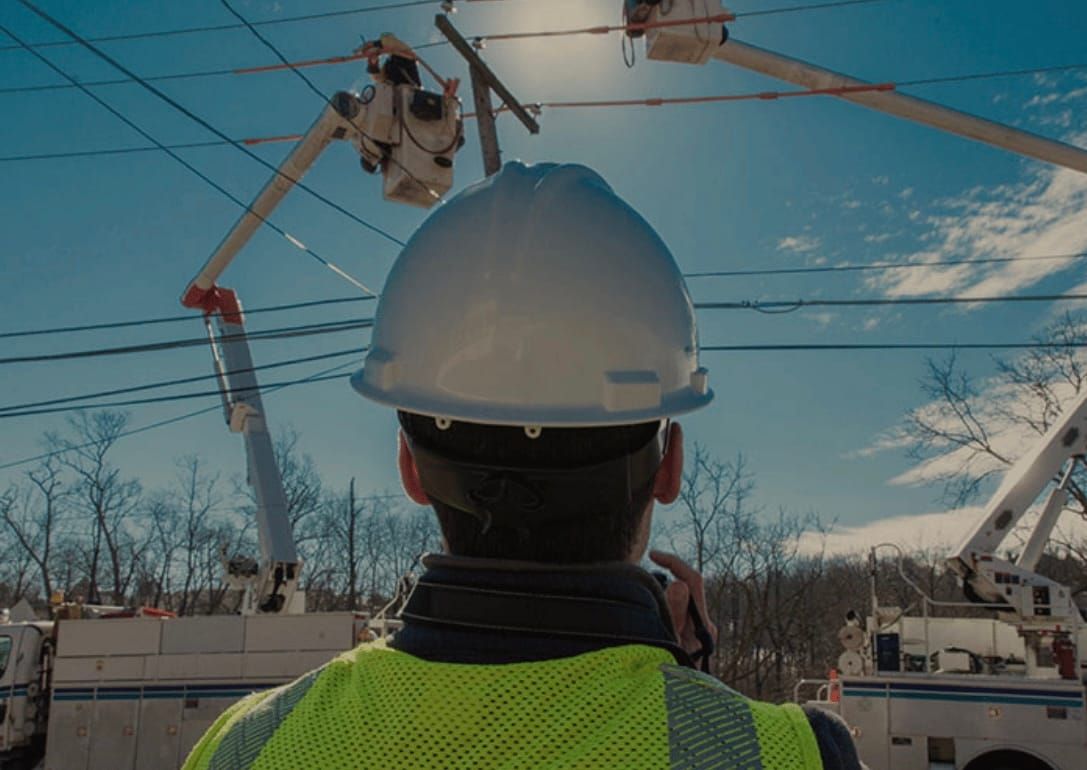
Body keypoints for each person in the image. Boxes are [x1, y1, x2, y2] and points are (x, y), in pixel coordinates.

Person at [184, 162, 863, 770]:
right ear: (668, 468)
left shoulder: (242, 745)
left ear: (410, 469)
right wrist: (691, 692)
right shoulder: (795, 754)